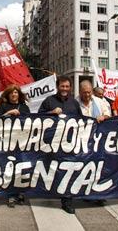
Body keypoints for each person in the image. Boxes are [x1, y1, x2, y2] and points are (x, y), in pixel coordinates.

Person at [38, 75, 82, 214]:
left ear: (70, 88)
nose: (64, 89)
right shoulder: (49, 101)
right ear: (57, 87)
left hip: (69, 144)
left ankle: (66, 200)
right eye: (62, 86)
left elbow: (81, 121)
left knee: (67, 170)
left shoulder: (74, 103)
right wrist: (51, 113)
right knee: (51, 169)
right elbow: (38, 117)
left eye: (67, 86)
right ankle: (50, 193)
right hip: (52, 144)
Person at [0, 84, 30, 207]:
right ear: (8, 95)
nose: (14, 95)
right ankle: (11, 195)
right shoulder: (3, 106)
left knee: (21, 168)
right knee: (9, 168)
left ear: (19, 94)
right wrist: (9, 113)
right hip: (7, 143)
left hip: (21, 143)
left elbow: (30, 123)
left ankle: (20, 192)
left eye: (16, 92)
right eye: (11, 93)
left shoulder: (25, 107)